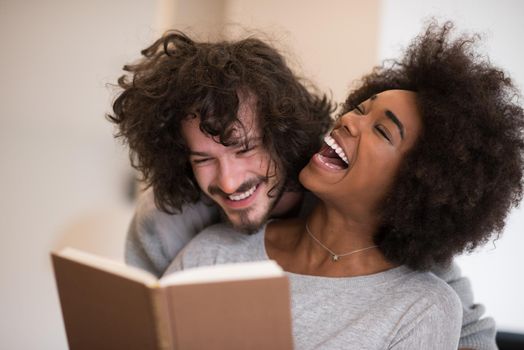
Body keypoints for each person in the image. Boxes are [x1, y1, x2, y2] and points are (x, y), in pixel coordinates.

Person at [108, 26, 511, 348]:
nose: (350, 120)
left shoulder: (425, 304)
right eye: (359, 109)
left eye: (382, 131)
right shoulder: (201, 245)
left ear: (421, 183)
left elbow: (469, 330)